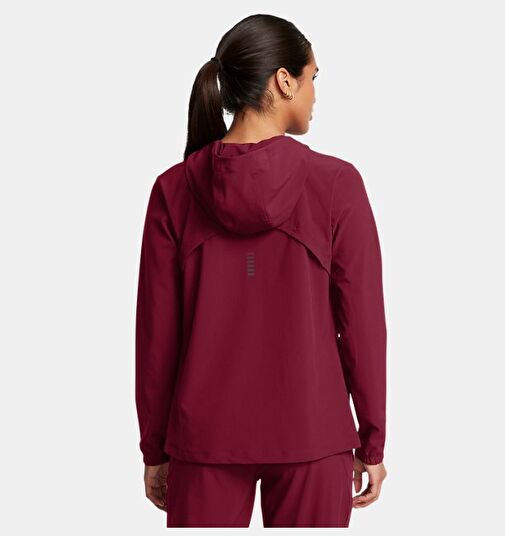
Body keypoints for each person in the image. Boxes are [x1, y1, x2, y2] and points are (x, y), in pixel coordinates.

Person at [135, 13, 388, 528]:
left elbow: (156, 337)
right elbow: (363, 326)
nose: (314, 94)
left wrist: (155, 448)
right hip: (313, 435)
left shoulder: (174, 189)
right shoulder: (336, 184)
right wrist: (372, 440)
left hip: (203, 440)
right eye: (312, 77)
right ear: (284, 80)